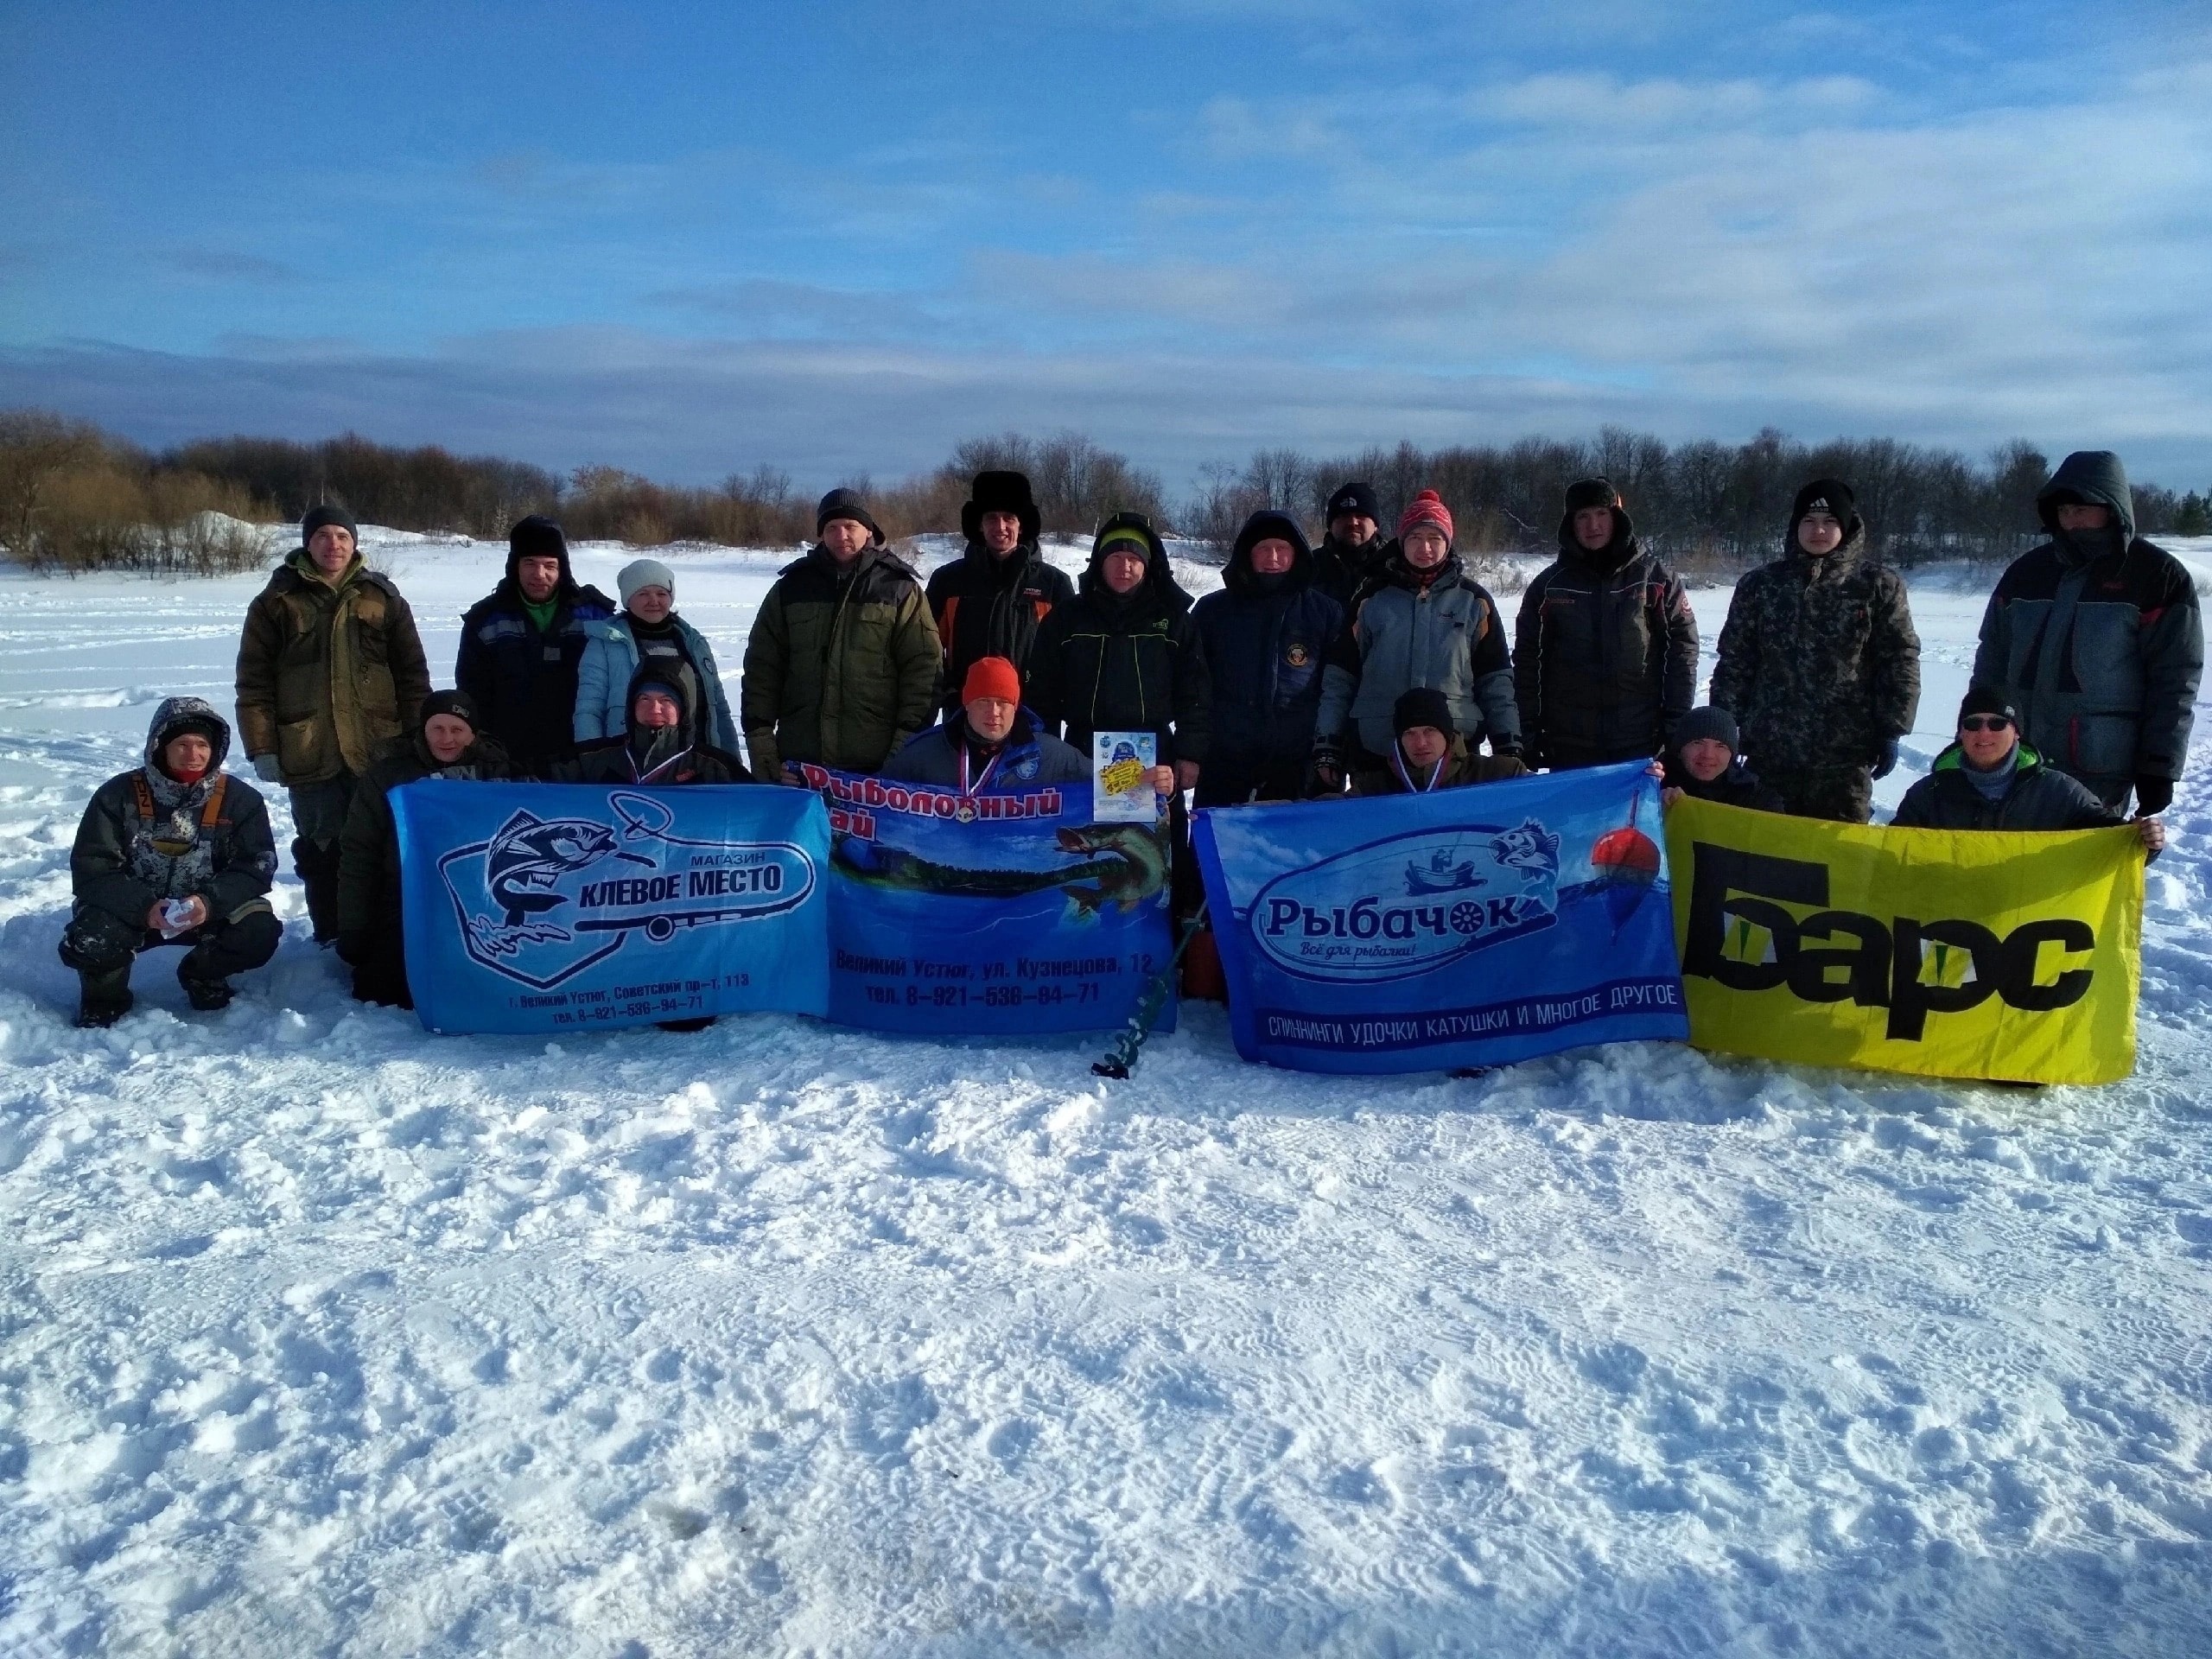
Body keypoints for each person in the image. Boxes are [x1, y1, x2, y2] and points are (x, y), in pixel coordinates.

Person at [236, 504, 430, 941]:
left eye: (342, 536)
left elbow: (413, 677)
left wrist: (420, 739)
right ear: (307, 542)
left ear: (355, 542)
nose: (333, 544)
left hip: (379, 748)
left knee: (383, 844)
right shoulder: (275, 602)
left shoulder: (383, 597)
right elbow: (254, 684)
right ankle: (331, 933)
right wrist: (262, 746)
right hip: (309, 748)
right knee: (322, 848)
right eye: (323, 535)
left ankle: (385, 933)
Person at [1970, 450, 2202, 814]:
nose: (2070, 519)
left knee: (2083, 865)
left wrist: (2159, 765)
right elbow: (1992, 658)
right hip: (2016, 754)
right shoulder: (2026, 572)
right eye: (2063, 510)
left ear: (2111, 508)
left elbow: (2174, 681)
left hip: (2099, 763)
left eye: (2080, 508)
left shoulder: (2156, 576)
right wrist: (1975, 727)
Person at [59, 697, 282, 1027]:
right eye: (182, 744)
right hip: (132, 911)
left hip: (208, 911)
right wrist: (144, 908)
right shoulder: (117, 795)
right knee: (93, 936)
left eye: (202, 744)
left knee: (259, 930)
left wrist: (208, 903)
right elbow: (93, 869)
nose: (193, 755)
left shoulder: (241, 800)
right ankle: (104, 997)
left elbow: (257, 867)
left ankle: (203, 975)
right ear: (159, 746)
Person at [1709, 478, 1919, 823]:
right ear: (1795, 527)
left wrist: (1893, 727)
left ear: (1846, 525)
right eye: (1808, 521)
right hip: (1770, 751)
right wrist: (1723, 730)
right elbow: (1736, 661)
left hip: (1845, 757)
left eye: (1829, 521)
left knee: (1840, 861)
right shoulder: (1761, 585)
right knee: (1766, 852)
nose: (1818, 531)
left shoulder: (1878, 586)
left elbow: (1899, 660)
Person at [1314, 489, 1520, 793]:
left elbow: (1495, 681)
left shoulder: (1474, 601)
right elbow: (1340, 679)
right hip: (1378, 749)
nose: (1425, 547)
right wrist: (1328, 744)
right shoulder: (1371, 599)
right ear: (1401, 541)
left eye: (1434, 538)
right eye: (1415, 538)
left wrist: (1508, 741)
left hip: (1454, 754)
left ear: (1448, 543)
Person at [741, 487, 939, 781]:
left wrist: (902, 753)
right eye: (832, 528)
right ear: (821, 533)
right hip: (799, 766)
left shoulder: (899, 589)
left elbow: (923, 673)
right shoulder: (792, 588)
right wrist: (762, 746)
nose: (841, 535)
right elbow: (762, 669)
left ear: (868, 530)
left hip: (876, 768)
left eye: (850, 526)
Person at [334, 690, 516, 1008]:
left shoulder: (497, 772)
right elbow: (359, 853)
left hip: (480, 901)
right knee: (384, 988)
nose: (447, 738)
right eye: (438, 729)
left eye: (457, 730)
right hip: (408, 899)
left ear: (472, 734)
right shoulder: (389, 777)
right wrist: (354, 926)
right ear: (424, 730)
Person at [1515, 478, 1698, 771]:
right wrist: (1528, 731)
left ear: (1617, 518)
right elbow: (1527, 662)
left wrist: (1675, 726)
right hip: (1569, 745)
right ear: (1570, 524)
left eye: (1602, 514)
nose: (1593, 525)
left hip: (1641, 742)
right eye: (1583, 516)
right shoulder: (1548, 587)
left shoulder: (1656, 579)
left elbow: (1682, 654)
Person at [1027, 512, 1211, 789]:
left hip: (1156, 753)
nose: (1124, 566)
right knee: (1080, 832)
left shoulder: (1173, 620)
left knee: (1152, 833)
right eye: (1115, 557)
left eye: (1134, 559)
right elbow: (1042, 692)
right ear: (1100, 562)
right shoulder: (1068, 618)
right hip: (1082, 750)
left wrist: (1190, 753)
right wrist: (1045, 751)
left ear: (1147, 565)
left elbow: (1194, 691)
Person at [1188, 508, 1345, 805]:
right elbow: (1193, 686)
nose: (1273, 558)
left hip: (1298, 765)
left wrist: (1330, 751)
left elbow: (1337, 689)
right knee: (1216, 849)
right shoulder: (1212, 612)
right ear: (1248, 554)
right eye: (1264, 549)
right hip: (1225, 763)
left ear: (1297, 553)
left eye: (1282, 549)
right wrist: (1192, 750)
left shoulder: (1325, 613)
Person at [1893, 686, 2164, 854]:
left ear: (2017, 733)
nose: (1984, 732)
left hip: (2030, 931)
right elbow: (1892, 855)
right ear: (1961, 733)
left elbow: (2111, 843)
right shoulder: (1928, 795)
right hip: (1952, 927)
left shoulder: (2059, 792)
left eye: (1997, 724)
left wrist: (2143, 840)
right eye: (1973, 723)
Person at [454, 516, 613, 779]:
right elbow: (473, 695)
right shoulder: (485, 620)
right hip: (508, 761)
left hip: (581, 760)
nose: (539, 575)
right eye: (529, 563)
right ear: (514, 566)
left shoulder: (596, 616)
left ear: (563, 568)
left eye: (549, 565)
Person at [925, 470, 1075, 715]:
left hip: (1034, 715)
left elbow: (1071, 656)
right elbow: (927, 651)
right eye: (992, 518)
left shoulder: (1053, 584)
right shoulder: (948, 581)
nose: (1000, 527)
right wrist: (951, 691)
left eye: (1009, 518)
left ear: (1022, 524)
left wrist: (1050, 697)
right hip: (966, 714)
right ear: (979, 524)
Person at [575, 556, 739, 753]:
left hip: (697, 762)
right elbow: (589, 710)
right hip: (628, 764)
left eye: (661, 593)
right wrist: (592, 761)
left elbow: (718, 708)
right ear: (628, 599)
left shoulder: (694, 642)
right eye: (643, 593)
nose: (654, 601)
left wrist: (731, 762)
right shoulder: (605, 642)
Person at [880, 656, 1090, 790]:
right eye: (984, 702)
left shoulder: (1049, 754)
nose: (994, 712)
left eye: (1003, 703)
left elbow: (1103, 781)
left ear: (1016, 707)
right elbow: (874, 796)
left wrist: (1123, 781)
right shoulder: (925, 753)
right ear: (967, 703)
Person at [565, 661, 753, 785]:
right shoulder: (595, 759)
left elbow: (761, 808)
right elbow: (541, 782)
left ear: (684, 709)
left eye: (667, 701)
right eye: (644, 699)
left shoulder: (716, 768)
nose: (655, 709)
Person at [1353, 688, 1530, 795]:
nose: (1420, 743)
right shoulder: (1374, 789)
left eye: (1430, 731)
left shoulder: (1499, 774)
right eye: (1409, 733)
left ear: (1447, 735)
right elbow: (1332, 812)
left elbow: (1549, 795)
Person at [1657, 706, 1785, 813]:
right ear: (1680, 749)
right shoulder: (1653, 782)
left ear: (1732, 755)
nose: (1708, 755)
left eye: (1721, 746)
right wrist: (1650, 804)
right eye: (1698, 743)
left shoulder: (1756, 799)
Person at [1310, 480, 1389, 609]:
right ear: (1330, 525)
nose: (1353, 522)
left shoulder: (1396, 567)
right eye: (1344, 516)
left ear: (1375, 525)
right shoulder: (1308, 567)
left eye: (1361, 515)